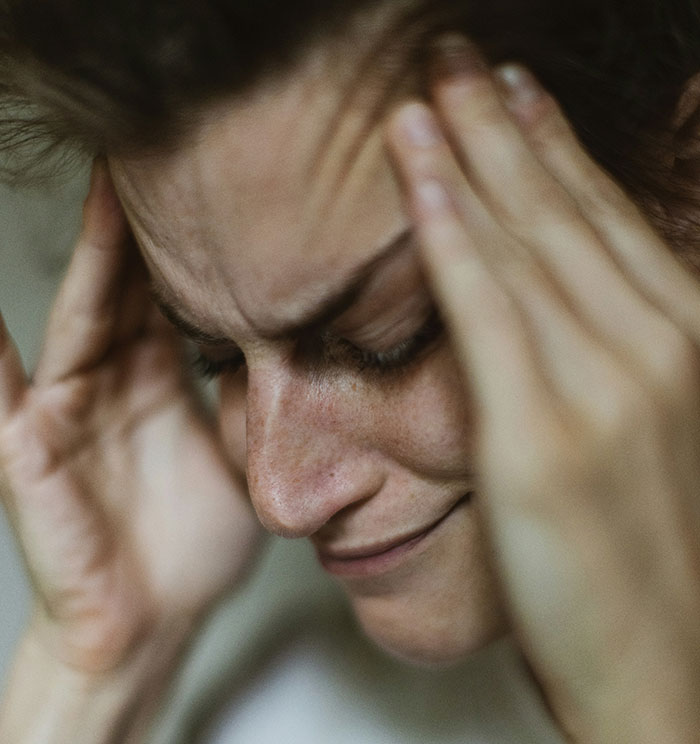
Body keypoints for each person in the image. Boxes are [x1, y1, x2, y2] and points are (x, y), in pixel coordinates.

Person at [1, 0, 699, 741]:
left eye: (387, 342)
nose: (279, 499)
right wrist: (92, 674)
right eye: (219, 359)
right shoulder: (306, 718)